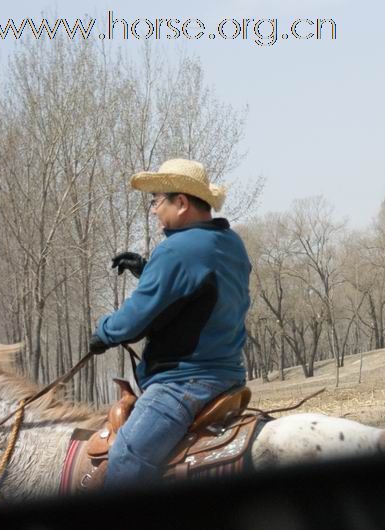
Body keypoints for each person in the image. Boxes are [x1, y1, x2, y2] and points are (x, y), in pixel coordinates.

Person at [89, 158, 251, 488]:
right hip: (228, 374)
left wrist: (103, 332)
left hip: (185, 383)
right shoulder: (231, 242)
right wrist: (148, 269)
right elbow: (200, 295)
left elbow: (133, 321)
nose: (152, 210)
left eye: (156, 201)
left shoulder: (177, 250)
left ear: (181, 203)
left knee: (125, 458)